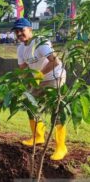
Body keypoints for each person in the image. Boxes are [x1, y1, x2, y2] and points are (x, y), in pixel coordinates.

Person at [11, 18, 67, 161]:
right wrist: (19, 83)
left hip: (55, 77)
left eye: (21, 30)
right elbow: (22, 69)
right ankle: (38, 136)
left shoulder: (41, 43)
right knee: (30, 105)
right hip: (38, 80)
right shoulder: (20, 49)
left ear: (30, 29)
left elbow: (55, 61)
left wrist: (40, 75)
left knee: (56, 109)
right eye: (16, 31)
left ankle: (61, 146)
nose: (19, 33)